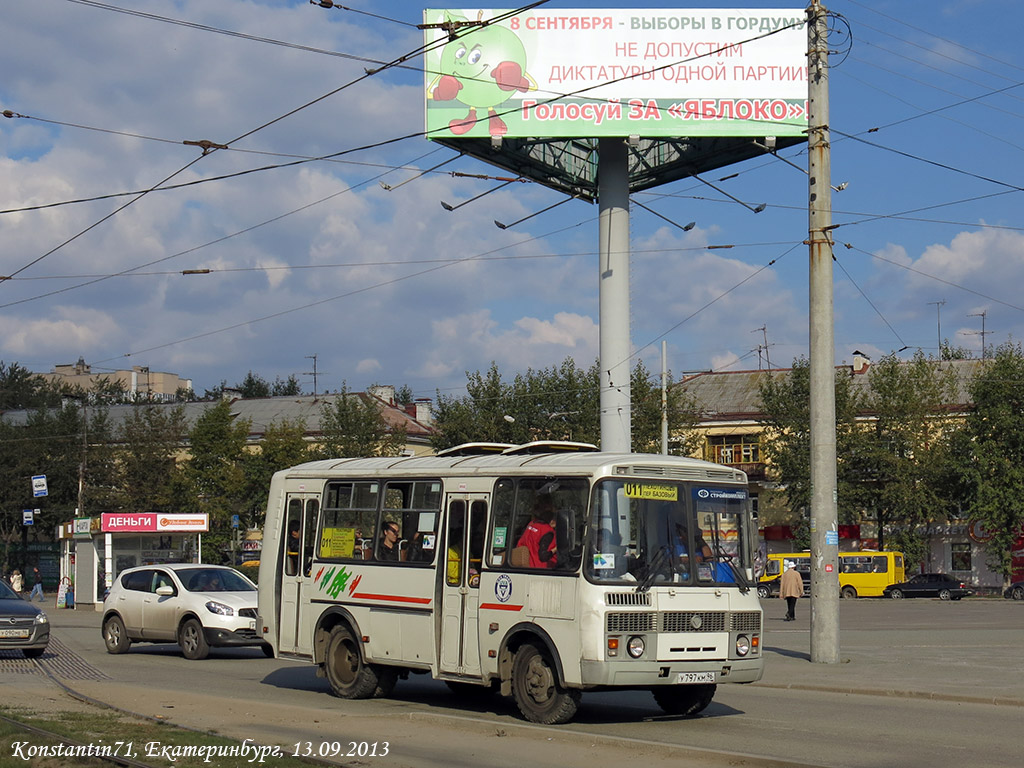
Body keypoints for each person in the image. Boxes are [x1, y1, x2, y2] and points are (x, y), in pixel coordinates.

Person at [516, 495, 558, 569]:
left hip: (524, 567)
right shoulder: (547, 532)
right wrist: (556, 548)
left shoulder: (531, 524)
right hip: (540, 570)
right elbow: (543, 556)